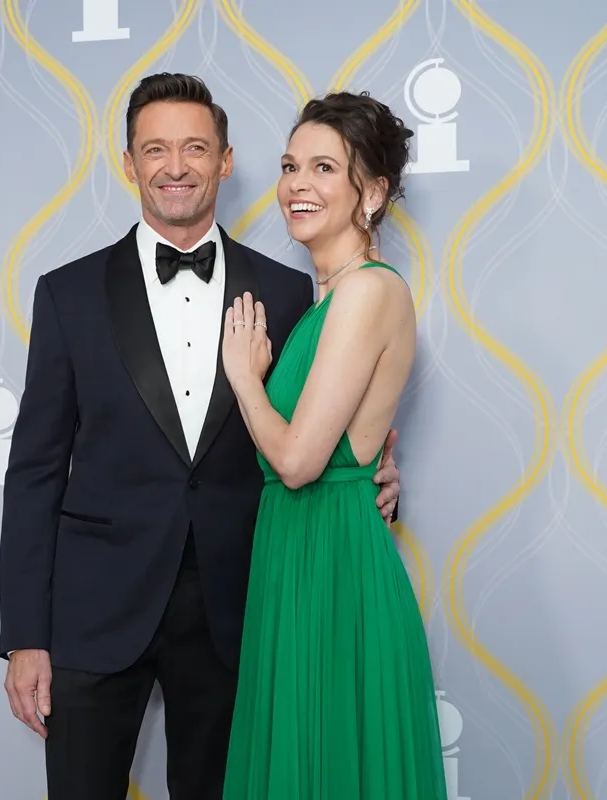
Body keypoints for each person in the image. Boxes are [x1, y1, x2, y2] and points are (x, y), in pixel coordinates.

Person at [0, 73, 405, 800]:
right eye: (155, 149)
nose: (175, 167)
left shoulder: (288, 290)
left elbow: (323, 422)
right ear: (129, 163)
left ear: (224, 160)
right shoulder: (67, 293)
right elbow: (33, 470)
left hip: (241, 607)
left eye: (195, 148)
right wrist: (26, 635)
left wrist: (378, 471)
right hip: (96, 611)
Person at [219, 92, 449, 798]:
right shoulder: (328, 298)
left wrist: (244, 380)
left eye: (324, 167)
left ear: (372, 192)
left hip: (333, 567)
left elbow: (296, 462)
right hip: (302, 556)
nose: (297, 185)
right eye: (290, 166)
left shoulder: (366, 294)